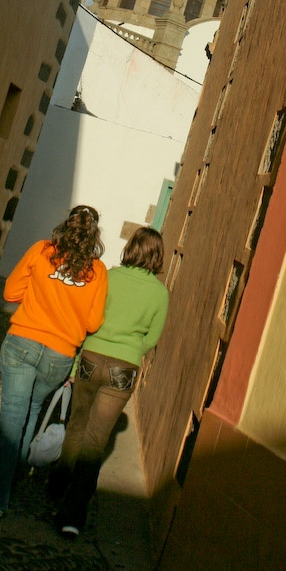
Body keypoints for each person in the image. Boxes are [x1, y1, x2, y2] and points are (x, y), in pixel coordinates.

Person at [0, 205, 107, 517]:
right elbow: (93, 322)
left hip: (23, 341)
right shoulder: (98, 271)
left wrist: (40, 293)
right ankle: (11, 480)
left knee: (12, 418)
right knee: (31, 413)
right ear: (94, 234)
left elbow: (11, 292)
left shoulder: (42, 250)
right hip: (59, 355)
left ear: (67, 224)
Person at [47, 225, 169, 538]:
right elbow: (152, 339)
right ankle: (72, 516)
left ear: (131, 248)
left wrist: (80, 360)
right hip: (124, 368)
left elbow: (91, 317)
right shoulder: (160, 293)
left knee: (76, 426)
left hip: (91, 357)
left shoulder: (109, 277)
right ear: (157, 256)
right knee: (96, 440)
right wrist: (129, 349)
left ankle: (56, 485)